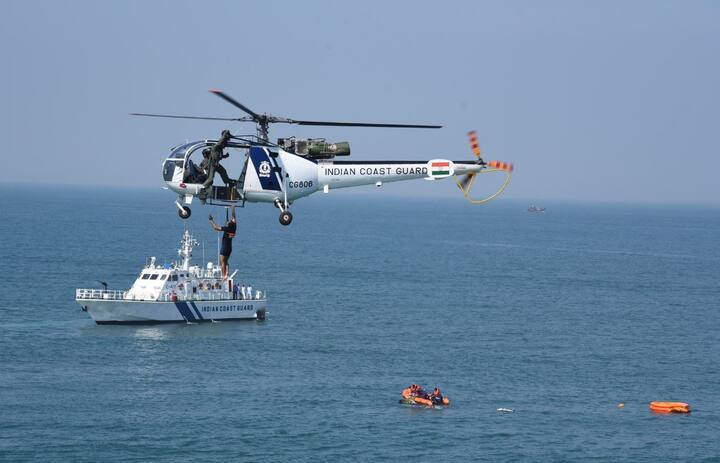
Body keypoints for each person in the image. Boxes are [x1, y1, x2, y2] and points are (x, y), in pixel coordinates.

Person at [209, 206, 236, 279]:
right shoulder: (234, 227)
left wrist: (211, 220)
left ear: (228, 225)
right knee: (226, 261)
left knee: (222, 262)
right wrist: (232, 208)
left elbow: (216, 227)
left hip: (224, 247)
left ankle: (224, 275)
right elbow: (233, 217)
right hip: (229, 248)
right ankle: (226, 274)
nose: (226, 223)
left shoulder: (226, 228)